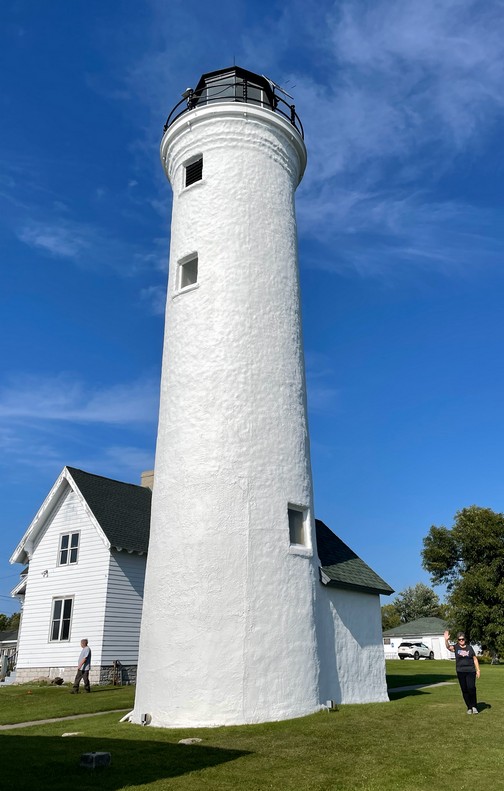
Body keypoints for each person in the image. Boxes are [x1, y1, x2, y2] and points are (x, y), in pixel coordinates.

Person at [444, 630, 480, 714]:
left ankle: (474, 706)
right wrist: (446, 640)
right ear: (457, 640)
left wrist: (478, 670)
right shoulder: (456, 647)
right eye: (459, 639)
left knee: (471, 688)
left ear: (465, 639)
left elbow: (475, 659)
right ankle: (469, 707)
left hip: (470, 671)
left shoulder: (469, 648)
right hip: (460, 671)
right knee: (464, 689)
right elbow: (448, 647)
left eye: (462, 639)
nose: (461, 641)